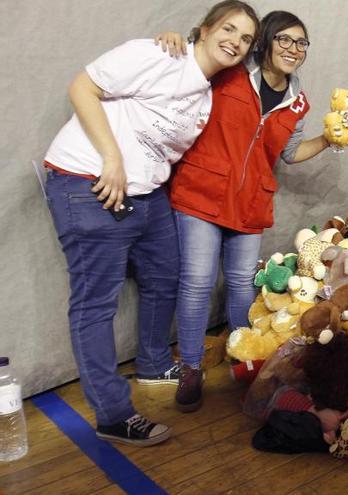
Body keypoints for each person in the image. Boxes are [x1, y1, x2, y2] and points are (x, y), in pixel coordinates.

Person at [43, 0, 258, 446]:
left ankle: (155, 362)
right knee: (95, 303)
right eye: (228, 29)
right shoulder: (159, 54)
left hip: (147, 193)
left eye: (245, 38)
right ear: (203, 29)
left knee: (165, 276)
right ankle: (112, 414)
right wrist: (112, 158)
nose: (235, 41)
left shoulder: (206, 93)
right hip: (91, 180)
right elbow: (82, 87)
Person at [154, 11, 331, 413]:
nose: (293, 49)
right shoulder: (229, 70)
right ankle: (192, 368)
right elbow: (198, 53)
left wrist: (327, 140)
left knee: (240, 283)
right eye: (284, 40)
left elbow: (288, 154)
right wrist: (171, 41)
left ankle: (245, 359)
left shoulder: (297, 102)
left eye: (301, 43)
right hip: (202, 192)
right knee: (198, 282)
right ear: (265, 41)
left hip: (250, 202)